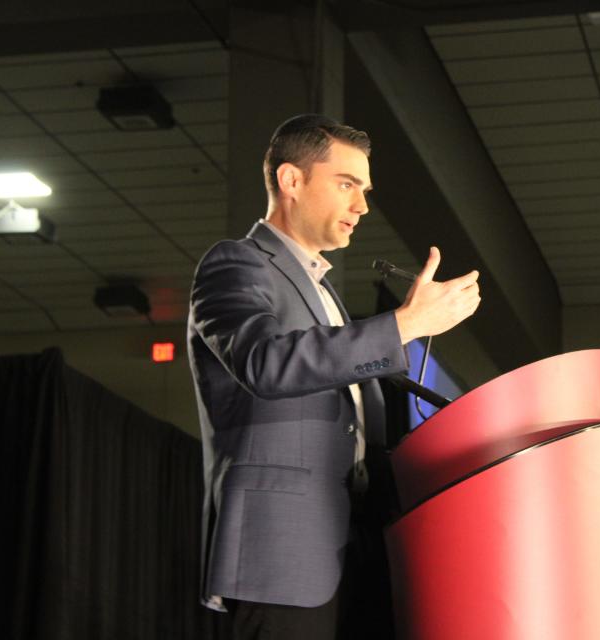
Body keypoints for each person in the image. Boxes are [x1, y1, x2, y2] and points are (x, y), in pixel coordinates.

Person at [187, 114, 480, 639]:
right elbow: (265, 362)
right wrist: (407, 324)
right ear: (291, 180)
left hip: (354, 550)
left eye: (365, 189)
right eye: (347, 184)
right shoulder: (235, 264)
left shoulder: (329, 296)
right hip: (280, 554)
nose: (362, 205)